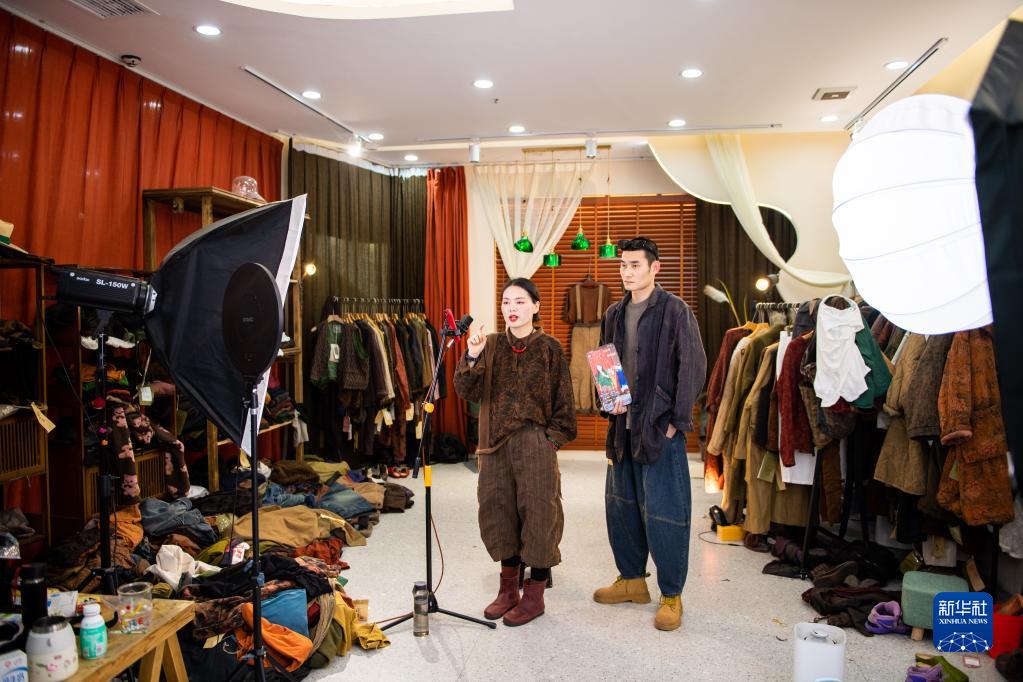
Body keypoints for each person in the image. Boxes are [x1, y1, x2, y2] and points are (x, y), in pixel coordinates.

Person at [593, 237, 707, 631]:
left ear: (655, 267)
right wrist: (608, 399)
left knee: (664, 514)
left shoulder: (675, 310)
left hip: (660, 429)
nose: (627, 272)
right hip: (621, 429)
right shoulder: (613, 313)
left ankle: (671, 595)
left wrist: (677, 420)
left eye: (635, 265)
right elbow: (604, 360)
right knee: (621, 507)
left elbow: (693, 365)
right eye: (623, 265)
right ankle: (632, 581)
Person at [454, 278, 577, 627]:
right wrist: (472, 354)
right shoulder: (491, 345)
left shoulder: (549, 347)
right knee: (498, 513)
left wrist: (549, 441)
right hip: (494, 446)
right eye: (506, 301)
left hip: (535, 444)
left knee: (540, 514)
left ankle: (534, 594)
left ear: (536, 307)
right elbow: (465, 390)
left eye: (520, 302)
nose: (512, 308)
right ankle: (508, 590)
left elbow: (564, 403)